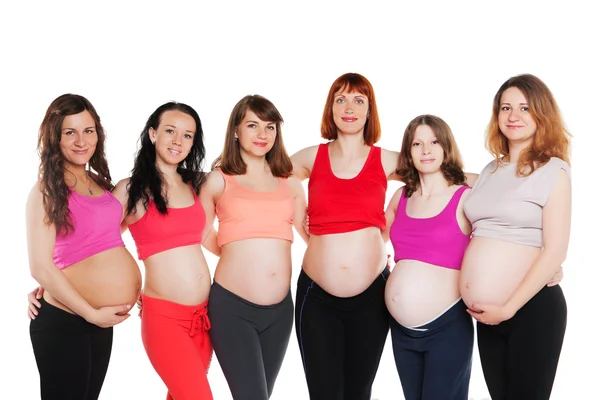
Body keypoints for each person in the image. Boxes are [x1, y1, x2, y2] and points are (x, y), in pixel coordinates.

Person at [291, 72, 403, 400]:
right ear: (331, 108)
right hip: (316, 297)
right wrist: (301, 221)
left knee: (358, 393)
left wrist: (505, 170)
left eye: (358, 100)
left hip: (372, 294)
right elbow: (265, 178)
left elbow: (442, 175)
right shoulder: (312, 156)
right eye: (340, 99)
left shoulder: (386, 160)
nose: (349, 107)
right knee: (324, 393)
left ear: (370, 110)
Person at [461, 73, 571, 400]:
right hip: (487, 315)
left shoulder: (554, 171)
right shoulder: (488, 171)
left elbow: (555, 251)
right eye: (506, 107)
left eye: (524, 108)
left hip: (531, 310)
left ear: (541, 114)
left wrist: (508, 308)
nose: (513, 116)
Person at [26, 93, 141, 399]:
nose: (81, 141)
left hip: (99, 322)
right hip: (67, 321)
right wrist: (90, 312)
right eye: (70, 132)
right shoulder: (46, 191)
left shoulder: (99, 183)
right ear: (55, 137)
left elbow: (98, 240)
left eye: (88, 131)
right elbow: (39, 266)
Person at [200, 95, 309, 400]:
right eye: (253, 125)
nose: (263, 134)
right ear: (235, 130)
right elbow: (198, 231)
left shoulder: (289, 182)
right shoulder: (219, 180)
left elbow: (309, 234)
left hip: (280, 312)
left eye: (270, 127)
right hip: (232, 308)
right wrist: (231, 253)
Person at [115, 102, 215, 400]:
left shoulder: (196, 183)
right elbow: (94, 242)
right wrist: (53, 281)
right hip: (165, 321)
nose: (178, 141)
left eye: (187, 135)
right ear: (152, 134)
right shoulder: (131, 189)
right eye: (170, 131)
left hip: (204, 318)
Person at [383, 115, 473, 400]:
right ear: (408, 152)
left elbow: (505, 233)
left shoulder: (466, 196)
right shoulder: (401, 197)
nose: (426, 150)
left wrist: (548, 264)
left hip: (446, 328)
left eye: (434, 142)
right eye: (417, 144)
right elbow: (371, 237)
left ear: (446, 147)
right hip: (401, 332)